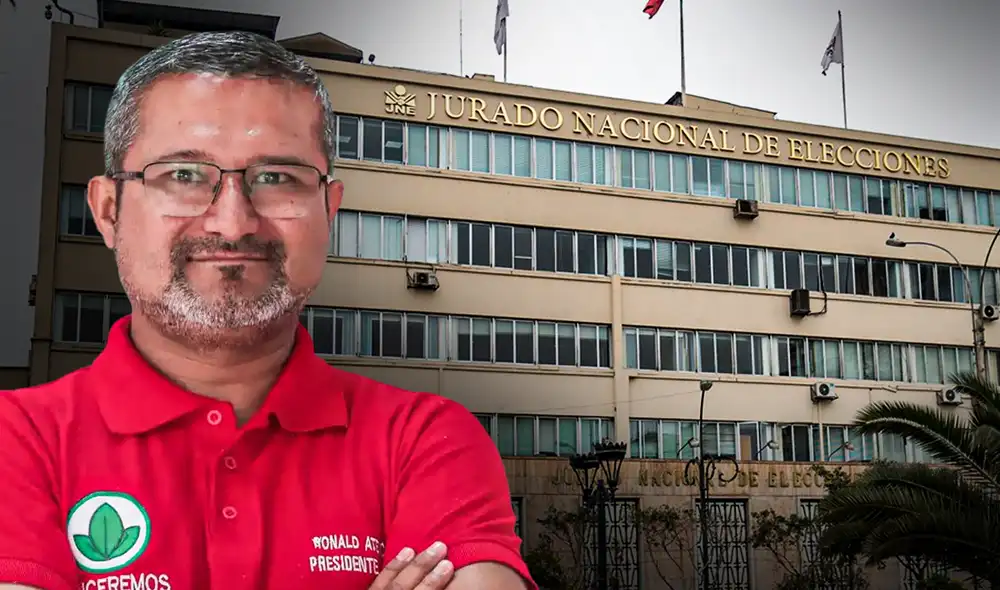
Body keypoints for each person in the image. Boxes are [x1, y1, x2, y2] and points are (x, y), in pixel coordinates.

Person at [0, 31, 534, 590]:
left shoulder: (425, 442)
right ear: (108, 211)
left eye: (276, 178)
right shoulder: (19, 441)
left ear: (329, 211)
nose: (232, 223)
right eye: (183, 175)